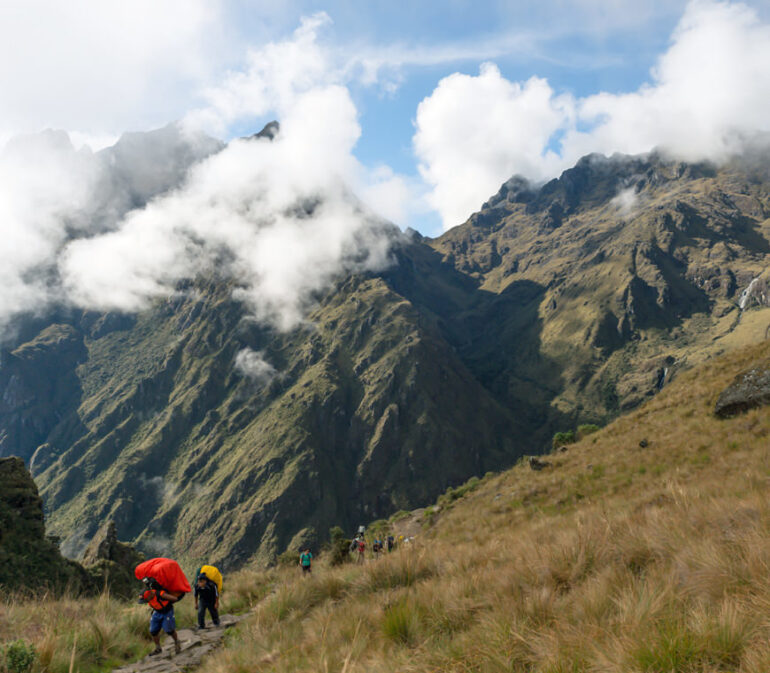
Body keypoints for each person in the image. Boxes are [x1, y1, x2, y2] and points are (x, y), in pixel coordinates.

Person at [139, 577, 182, 656]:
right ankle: (158, 648)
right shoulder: (149, 597)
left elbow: (175, 599)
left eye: (146, 599)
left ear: (150, 595)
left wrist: (167, 599)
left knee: (169, 630)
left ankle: (177, 642)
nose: (146, 602)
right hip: (157, 612)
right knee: (153, 631)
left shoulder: (159, 594)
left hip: (167, 611)